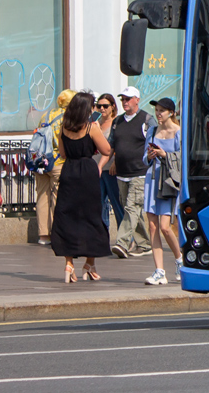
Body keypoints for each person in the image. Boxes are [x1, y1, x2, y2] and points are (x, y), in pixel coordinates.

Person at [50, 91, 112, 282]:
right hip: (87, 172)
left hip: (69, 172)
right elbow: (107, 150)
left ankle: (69, 264)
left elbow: (62, 152)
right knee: (91, 217)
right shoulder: (91, 127)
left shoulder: (64, 128)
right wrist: (98, 134)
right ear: (87, 108)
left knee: (68, 216)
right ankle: (89, 263)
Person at [107, 86, 153, 259]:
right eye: (123, 99)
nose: (125, 102)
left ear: (137, 100)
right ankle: (145, 244)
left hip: (139, 173)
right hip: (122, 173)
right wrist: (105, 163)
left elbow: (154, 142)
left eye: (128, 98)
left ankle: (122, 243)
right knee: (132, 209)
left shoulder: (147, 120)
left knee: (132, 207)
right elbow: (111, 145)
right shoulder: (117, 122)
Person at [143, 98, 183, 285]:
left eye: (162, 111)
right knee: (152, 226)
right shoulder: (152, 131)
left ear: (171, 113)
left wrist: (164, 155)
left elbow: (181, 159)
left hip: (167, 182)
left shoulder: (178, 132)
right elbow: (144, 158)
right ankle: (159, 270)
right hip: (152, 179)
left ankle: (179, 259)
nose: (158, 114)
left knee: (166, 227)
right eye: (157, 110)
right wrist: (150, 156)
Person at [34, 89, 74, 246]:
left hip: (41, 161)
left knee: (42, 197)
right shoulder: (68, 118)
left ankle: (43, 236)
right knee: (57, 198)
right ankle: (56, 233)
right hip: (58, 162)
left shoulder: (46, 115)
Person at [94, 94, 124, 230]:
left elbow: (120, 144)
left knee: (117, 204)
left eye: (105, 106)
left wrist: (116, 162)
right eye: (98, 106)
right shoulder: (95, 123)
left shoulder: (117, 122)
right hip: (96, 168)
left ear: (112, 107)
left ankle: (124, 239)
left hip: (111, 169)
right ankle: (102, 236)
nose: (101, 109)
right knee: (99, 205)